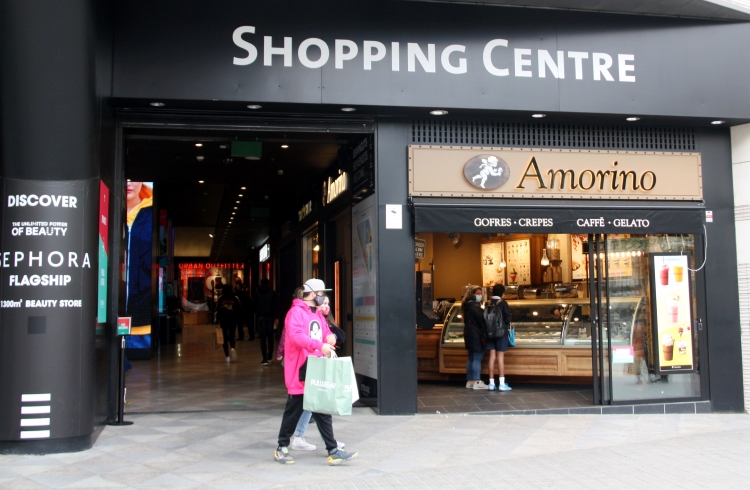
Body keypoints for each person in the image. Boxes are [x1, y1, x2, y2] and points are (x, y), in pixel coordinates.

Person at [274, 279, 356, 466]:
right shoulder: (295, 313)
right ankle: (281, 447)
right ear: (311, 294)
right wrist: (320, 345)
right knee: (293, 411)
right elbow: (296, 337)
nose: (323, 296)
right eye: (320, 293)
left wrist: (331, 337)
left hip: (316, 368)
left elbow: (328, 332)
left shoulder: (317, 314)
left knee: (322, 410)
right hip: (301, 369)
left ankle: (332, 449)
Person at [287, 295, 346, 452]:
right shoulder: (300, 314)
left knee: (315, 407)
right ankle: (287, 442)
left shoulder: (321, 318)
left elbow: (339, 335)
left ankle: (329, 444)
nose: (325, 306)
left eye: (327, 303)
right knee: (306, 406)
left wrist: (331, 336)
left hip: (317, 365)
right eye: (322, 302)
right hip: (308, 366)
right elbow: (294, 337)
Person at [125, 181, 153, 349]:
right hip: (105, 319)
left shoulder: (149, 213)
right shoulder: (103, 208)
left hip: (141, 323)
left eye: (133, 179)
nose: (129, 184)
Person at [486, 284, 512, 392]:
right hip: (501, 334)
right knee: (500, 358)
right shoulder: (503, 303)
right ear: (502, 293)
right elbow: (508, 319)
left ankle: (491, 383)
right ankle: (501, 383)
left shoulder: (487, 303)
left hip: (489, 334)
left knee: (492, 357)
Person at [462, 285, 489, 390]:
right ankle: (477, 381)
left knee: (471, 357)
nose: (480, 295)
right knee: (477, 357)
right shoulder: (475, 307)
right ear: (472, 294)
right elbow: (481, 321)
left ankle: (470, 381)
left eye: (480, 293)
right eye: (478, 293)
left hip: (469, 334)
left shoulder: (466, 305)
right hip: (476, 335)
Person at [216, 286, 243, 363]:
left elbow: (218, 310)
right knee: (232, 335)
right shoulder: (235, 298)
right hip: (232, 320)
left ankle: (227, 356)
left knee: (224, 337)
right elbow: (240, 309)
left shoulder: (221, 298)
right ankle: (233, 348)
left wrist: (217, 321)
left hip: (224, 320)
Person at [256, 278, 278, 365]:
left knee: (262, 339)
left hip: (261, 318)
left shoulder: (257, 293)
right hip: (270, 318)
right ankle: (270, 357)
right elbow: (276, 305)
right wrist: (276, 317)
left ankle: (264, 358)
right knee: (270, 337)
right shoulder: (272, 293)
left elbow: (254, 305)